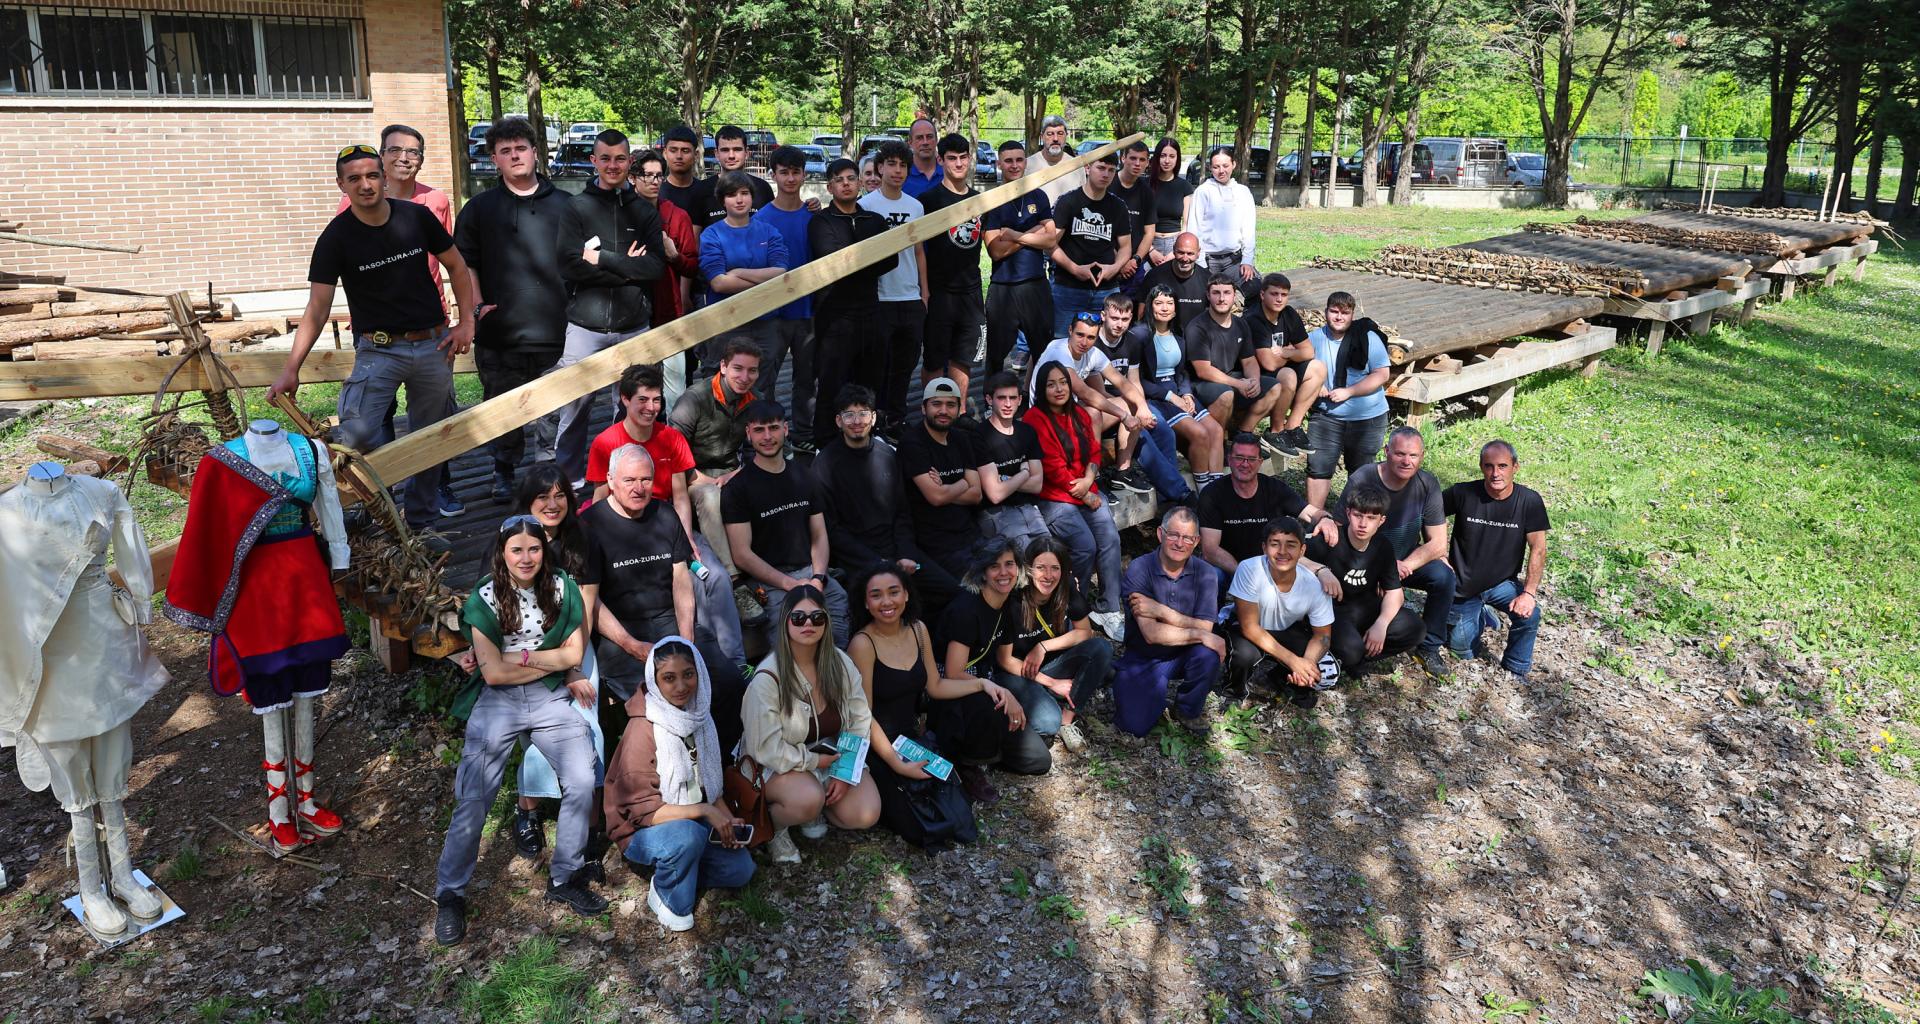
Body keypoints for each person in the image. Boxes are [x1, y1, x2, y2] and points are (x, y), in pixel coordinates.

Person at [268, 144, 474, 537]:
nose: (366, 185)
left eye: (372, 175)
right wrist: (291, 369)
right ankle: (363, 506)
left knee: (429, 437)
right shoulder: (336, 237)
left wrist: (466, 324)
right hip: (378, 350)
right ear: (341, 185)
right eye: (355, 178)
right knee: (356, 434)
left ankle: (421, 522)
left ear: (383, 176)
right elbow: (318, 307)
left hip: (433, 346)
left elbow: (457, 268)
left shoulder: (416, 217)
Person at [435, 519, 601, 945]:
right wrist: (550, 658)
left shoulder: (562, 587)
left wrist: (522, 655)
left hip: (548, 695)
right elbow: (491, 674)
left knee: (583, 779)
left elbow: (575, 653)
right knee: (475, 795)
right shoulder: (486, 596)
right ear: (502, 553)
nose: (526, 559)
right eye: (517, 551)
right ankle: (450, 892)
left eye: (534, 549)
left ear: (545, 551)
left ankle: (564, 875)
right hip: (501, 701)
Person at [583, 444, 745, 759]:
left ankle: (722, 766)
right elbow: (592, 600)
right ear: (611, 481)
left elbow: (681, 582)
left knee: (730, 683)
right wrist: (631, 644)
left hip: (670, 626)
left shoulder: (665, 514)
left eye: (645, 479)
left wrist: (687, 639)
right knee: (663, 704)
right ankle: (668, 785)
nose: (638, 488)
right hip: (620, 637)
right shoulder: (590, 526)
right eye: (629, 480)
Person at [335, 123, 460, 519]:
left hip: (430, 326)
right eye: (395, 151)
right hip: (380, 332)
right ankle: (381, 497)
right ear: (382, 158)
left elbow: (450, 260)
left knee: (434, 415)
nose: (404, 158)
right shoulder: (358, 203)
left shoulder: (434, 202)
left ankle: (435, 492)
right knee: (375, 419)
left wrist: (458, 316)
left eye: (413, 152)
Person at [586, 365, 744, 668]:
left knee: (716, 578)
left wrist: (685, 540)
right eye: (642, 400)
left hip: (668, 527)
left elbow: (681, 495)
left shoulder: (670, 438)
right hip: (626, 530)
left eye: (657, 400)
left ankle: (732, 662)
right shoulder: (606, 442)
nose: (651, 408)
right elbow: (600, 497)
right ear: (624, 400)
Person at [603, 638, 755, 931]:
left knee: (741, 870)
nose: (681, 686)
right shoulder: (643, 727)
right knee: (687, 837)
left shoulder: (700, 716)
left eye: (688, 674)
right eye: (669, 678)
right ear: (654, 681)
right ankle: (665, 895)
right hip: (642, 830)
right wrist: (704, 812)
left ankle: (686, 863)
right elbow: (643, 813)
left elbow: (711, 785)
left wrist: (724, 819)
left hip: (692, 820)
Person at [456, 117, 572, 499]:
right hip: (499, 332)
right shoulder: (479, 208)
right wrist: (474, 308)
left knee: (553, 415)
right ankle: (503, 471)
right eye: (505, 151)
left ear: (535, 153)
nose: (515, 156)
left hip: (556, 330)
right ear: (494, 159)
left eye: (521, 148)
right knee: (503, 413)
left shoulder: (567, 205)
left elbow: (583, 258)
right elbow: (464, 262)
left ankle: (548, 479)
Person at [554, 129, 667, 486]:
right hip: (585, 327)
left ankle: (629, 477)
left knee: (635, 408)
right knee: (574, 407)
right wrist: (626, 270)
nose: (612, 165)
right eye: (605, 158)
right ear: (594, 161)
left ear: (629, 162)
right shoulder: (576, 208)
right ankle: (568, 481)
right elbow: (569, 265)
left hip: (634, 325)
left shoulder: (643, 211)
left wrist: (602, 259)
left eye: (620, 158)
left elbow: (655, 268)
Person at [502, 467, 603, 861]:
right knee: (535, 732)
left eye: (560, 494)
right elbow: (494, 601)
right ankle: (526, 811)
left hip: (574, 648)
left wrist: (573, 666)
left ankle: (589, 825)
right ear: (527, 502)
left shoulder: (581, 540)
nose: (552, 504)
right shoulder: (510, 539)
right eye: (543, 496)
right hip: (522, 649)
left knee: (588, 727)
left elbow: (586, 612)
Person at [742, 586, 881, 864]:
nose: (808, 624)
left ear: (827, 622)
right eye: (799, 618)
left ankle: (819, 801)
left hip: (828, 753)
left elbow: (859, 718)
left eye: (817, 618)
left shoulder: (840, 663)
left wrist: (843, 772)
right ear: (785, 622)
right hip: (778, 762)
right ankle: (777, 826)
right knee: (806, 799)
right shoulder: (768, 677)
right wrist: (814, 762)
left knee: (866, 813)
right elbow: (765, 748)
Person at [847, 563, 977, 849]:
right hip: (875, 745)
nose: (887, 602)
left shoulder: (919, 629)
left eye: (894, 592)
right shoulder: (862, 643)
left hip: (911, 739)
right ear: (866, 603)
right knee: (922, 829)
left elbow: (936, 686)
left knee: (959, 820)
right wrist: (895, 762)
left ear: (906, 595)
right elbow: (862, 716)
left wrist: (983, 685)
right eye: (876, 595)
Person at [813, 385, 960, 612]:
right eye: (849, 415)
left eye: (863, 414)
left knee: (952, 592)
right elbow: (831, 530)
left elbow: (903, 511)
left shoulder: (888, 455)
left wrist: (906, 554)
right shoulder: (824, 465)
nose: (857, 421)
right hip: (858, 560)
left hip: (898, 551)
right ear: (838, 421)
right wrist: (875, 563)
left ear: (873, 418)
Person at [723, 400, 851, 645]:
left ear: (786, 429)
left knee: (839, 617)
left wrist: (818, 578)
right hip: (770, 581)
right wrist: (790, 584)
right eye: (759, 430)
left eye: (773, 428)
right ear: (748, 434)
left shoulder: (805, 475)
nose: (767, 436)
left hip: (812, 573)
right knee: (790, 653)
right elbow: (742, 554)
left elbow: (820, 536)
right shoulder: (738, 489)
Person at [1334, 426, 1455, 679]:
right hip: (1365, 562)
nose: (1406, 461)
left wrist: (1404, 566)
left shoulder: (1427, 483)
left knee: (1444, 577)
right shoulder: (1363, 478)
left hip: (1404, 562)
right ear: (1386, 451)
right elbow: (1340, 529)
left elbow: (1438, 543)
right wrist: (1382, 571)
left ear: (1422, 456)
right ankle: (1351, 650)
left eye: (1413, 455)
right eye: (1400, 454)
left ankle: (1430, 646)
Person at [932, 542, 1048, 797]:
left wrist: (1050, 682)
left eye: (1009, 564)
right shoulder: (965, 610)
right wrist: (999, 691)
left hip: (988, 683)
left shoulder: (1006, 604)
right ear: (983, 572)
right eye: (994, 566)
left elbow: (1006, 660)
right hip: (956, 691)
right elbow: (952, 673)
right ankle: (969, 764)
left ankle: (989, 747)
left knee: (1039, 761)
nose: (1003, 572)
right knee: (989, 707)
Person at [1024, 360, 1126, 641]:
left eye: (1063, 383)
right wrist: (1084, 491)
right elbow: (1053, 468)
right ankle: (1071, 606)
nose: (1059, 389)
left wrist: (1088, 482)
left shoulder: (1078, 413)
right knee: (1084, 546)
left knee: (1110, 538)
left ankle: (1108, 607)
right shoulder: (1035, 419)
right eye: (1051, 384)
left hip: (1085, 489)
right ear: (1041, 389)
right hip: (1054, 497)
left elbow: (1094, 452)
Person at [992, 536, 1114, 755]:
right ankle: (1045, 701)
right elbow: (1004, 659)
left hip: (1048, 663)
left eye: (1054, 568)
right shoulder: (1013, 599)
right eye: (1040, 568)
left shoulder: (1065, 586)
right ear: (1028, 569)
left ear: (1063, 570)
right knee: (1047, 722)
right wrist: (1051, 683)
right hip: (1015, 672)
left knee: (1101, 649)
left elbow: (1084, 632)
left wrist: (1043, 646)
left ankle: (1067, 721)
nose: (1048, 576)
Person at [808, 159, 899, 443]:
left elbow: (890, 259)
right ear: (829, 186)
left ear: (860, 183)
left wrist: (851, 262)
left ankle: (872, 436)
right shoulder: (821, 221)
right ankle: (825, 441)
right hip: (834, 317)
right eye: (839, 179)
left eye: (851, 178)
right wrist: (858, 261)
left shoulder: (874, 220)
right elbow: (832, 263)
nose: (846, 183)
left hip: (871, 313)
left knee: (871, 381)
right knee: (832, 383)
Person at [1113, 507, 1225, 737]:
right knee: (1134, 727)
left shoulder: (1206, 573)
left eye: (1187, 538)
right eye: (1173, 534)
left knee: (1208, 654)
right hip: (1145, 655)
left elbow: (1206, 628)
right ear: (1160, 534)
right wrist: (1201, 633)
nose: (1179, 543)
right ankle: (1125, 679)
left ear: (1196, 542)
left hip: (1185, 653)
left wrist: (1162, 611)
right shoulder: (1140, 569)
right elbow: (1151, 633)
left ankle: (1187, 709)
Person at [1443, 441, 1549, 680]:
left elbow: (1538, 549)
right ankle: (1481, 614)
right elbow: (1429, 515)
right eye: (1489, 466)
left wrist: (1529, 593)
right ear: (1481, 467)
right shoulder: (1463, 493)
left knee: (1530, 614)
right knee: (1463, 651)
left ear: (1515, 467)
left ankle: (1516, 667)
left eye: (1502, 466)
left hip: (1502, 584)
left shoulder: (1529, 501)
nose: (1495, 473)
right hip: (1464, 587)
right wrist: (1437, 553)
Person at [1308, 484, 1425, 675]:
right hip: (1333, 612)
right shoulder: (1332, 538)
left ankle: (1361, 655)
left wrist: (1381, 624)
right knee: (1351, 651)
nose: (1363, 524)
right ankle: (1349, 657)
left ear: (1381, 520)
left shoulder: (1382, 546)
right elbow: (1294, 556)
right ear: (1348, 513)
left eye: (1371, 518)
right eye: (1358, 515)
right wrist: (1320, 569)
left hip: (1365, 608)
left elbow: (1395, 592)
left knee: (1415, 627)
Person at [1028, 312, 1149, 494]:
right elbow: (1085, 393)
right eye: (1080, 335)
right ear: (1070, 331)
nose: (1084, 342)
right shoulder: (1059, 352)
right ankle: (1093, 474)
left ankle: (1122, 473)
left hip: (1070, 414)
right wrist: (1123, 416)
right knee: (1093, 412)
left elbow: (1122, 382)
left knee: (1130, 404)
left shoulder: (1093, 353)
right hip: (1047, 420)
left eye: (1091, 337)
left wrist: (1143, 407)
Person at [1198, 432, 1336, 586]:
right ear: (1229, 459)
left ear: (1260, 462)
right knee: (1212, 576)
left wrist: (1325, 519)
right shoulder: (1212, 494)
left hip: (1270, 564)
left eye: (1251, 459)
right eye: (1239, 458)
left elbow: (1310, 513)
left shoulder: (1274, 489)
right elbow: (1210, 550)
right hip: (1228, 566)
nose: (1245, 464)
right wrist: (1244, 573)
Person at [1090, 293, 1190, 503]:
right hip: (1101, 407)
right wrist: (1133, 408)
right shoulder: (1093, 343)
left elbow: (1133, 381)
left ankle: (1165, 498)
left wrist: (1142, 407)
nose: (1119, 325)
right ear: (1103, 316)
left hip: (1128, 402)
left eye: (1125, 320)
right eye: (1114, 318)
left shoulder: (1133, 342)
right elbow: (1098, 394)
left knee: (1163, 430)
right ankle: (1178, 492)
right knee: (1143, 437)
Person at [1228, 517, 1337, 708]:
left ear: (1302, 550)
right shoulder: (1249, 569)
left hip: (1286, 630)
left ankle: (1280, 678)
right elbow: (1249, 627)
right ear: (1264, 547)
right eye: (1275, 544)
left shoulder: (1313, 584)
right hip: (1248, 629)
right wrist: (1293, 660)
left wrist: (1306, 664)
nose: (1282, 552)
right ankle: (1234, 691)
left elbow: (1323, 636)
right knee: (1243, 655)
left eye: (1291, 545)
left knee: (1328, 674)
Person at [858, 141, 928, 429]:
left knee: (905, 364)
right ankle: (874, 418)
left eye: (903, 165)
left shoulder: (915, 206)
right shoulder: (865, 205)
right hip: (878, 299)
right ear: (880, 168)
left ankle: (896, 419)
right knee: (876, 365)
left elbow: (919, 251)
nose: (897, 171)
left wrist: (924, 291)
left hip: (910, 298)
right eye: (891, 164)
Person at [1303, 291, 1393, 512]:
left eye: (1345, 313)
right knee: (1318, 468)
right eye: (1334, 311)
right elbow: (1300, 366)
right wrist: (1315, 385)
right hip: (1326, 416)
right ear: (1325, 312)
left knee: (1362, 471)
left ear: (1352, 314)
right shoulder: (1314, 338)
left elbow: (1382, 374)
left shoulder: (1367, 338)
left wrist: (1349, 392)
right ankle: (1313, 519)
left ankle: (1357, 518)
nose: (1339, 317)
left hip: (1367, 417)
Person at [1129, 283, 1224, 486]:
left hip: (1178, 394)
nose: (1164, 308)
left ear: (1175, 308)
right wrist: (1171, 397)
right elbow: (1137, 379)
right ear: (1150, 306)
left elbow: (1181, 373)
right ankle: (1204, 488)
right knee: (1199, 433)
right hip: (1158, 397)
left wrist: (1187, 394)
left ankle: (1218, 487)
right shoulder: (1140, 334)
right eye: (1159, 303)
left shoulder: (1178, 334)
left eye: (1169, 303)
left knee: (1215, 430)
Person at [753, 146, 817, 442]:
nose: (790, 178)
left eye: (796, 172)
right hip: (772, 314)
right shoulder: (762, 219)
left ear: (804, 175)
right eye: (784, 172)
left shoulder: (815, 215)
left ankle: (803, 433)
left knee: (806, 380)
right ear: (773, 175)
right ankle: (764, 434)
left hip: (808, 312)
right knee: (765, 378)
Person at [699, 171, 790, 377]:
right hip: (726, 322)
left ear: (752, 197)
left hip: (765, 322)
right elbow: (719, 283)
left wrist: (739, 272)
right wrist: (765, 281)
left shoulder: (769, 232)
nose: (739, 200)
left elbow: (781, 271)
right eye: (731, 195)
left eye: (744, 193)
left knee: (762, 384)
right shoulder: (712, 234)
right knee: (722, 384)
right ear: (722, 201)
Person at [981, 140, 1059, 376]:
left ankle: (1040, 406)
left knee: (1043, 352)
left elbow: (1051, 240)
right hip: (1003, 288)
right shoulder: (992, 200)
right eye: (1008, 161)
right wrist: (1034, 232)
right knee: (996, 355)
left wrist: (1015, 234)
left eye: (1019, 159)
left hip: (1035, 284)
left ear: (1025, 162)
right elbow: (996, 250)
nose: (1014, 165)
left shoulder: (1039, 196)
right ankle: (989, 408)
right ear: (999, 164)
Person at [918, 133, 987, 401]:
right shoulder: (928, 201)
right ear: (940, 160)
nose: (958, 163)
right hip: (939, 292)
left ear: (969, 160)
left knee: (963, 358)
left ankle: (959, 413)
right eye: (951, 158)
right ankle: (931, 408)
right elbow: (916, 250)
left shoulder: (980, 201)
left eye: (963, 157)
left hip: (970, 292)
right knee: (934, 360)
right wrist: (924, 291)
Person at [897, 377, 984, 588]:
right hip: (936, 543)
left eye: (950, 405)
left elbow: (977, 495)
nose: (943, 411)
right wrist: (963, 483)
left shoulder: (961, 439)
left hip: (971, 534)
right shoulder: (913, 442)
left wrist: (946, 487)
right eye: (937, 404)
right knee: (979, 589)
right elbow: (936, 498)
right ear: (923, 407)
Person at [1049, 150, 1133, 339]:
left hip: (1106, 288)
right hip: (1068, 286)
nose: (1106, 174)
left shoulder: (1118, 206)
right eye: (1101, 168)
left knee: (1104, 344)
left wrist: (1114, 268)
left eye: (1111, 170)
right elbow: (1050, 244)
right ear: (1087, 168)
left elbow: (1125, 247)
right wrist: (1074, 268)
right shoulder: (1068, 202)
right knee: (1063, 342)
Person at [1186, 274, 1283, 435]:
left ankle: (1242, 434)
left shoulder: (1240, 324)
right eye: (1216, 293)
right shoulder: (1197, 327)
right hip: (1201, 383)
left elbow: (1249, 361)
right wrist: (1239, 384)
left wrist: (1254, 381)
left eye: (1227, 293)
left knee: (1274, 387)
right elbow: (1203, 370)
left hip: (1230, 378)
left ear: (1234, 296)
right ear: (1208, 295)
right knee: (1226, 395)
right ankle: (1218, 440)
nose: (1222, 298)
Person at [1245, 273, 1322, 457]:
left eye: (1284, 295)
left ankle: (1292, 427)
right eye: (1274, 294)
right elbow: (1269, 363)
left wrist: (1286, 352)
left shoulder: (1288, 314)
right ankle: (1275, 432)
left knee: (1318, 368)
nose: (1279, 299)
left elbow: (1309, 352)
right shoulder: (1254, 318)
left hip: (1282, 366)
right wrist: (1294, 354)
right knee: (1288, 374)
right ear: (1263, 295)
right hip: (1256, 374)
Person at [971, 371, 1050, 551]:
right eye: (1001, 398)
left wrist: (1005, 480)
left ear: (1020, 401)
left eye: (1013, 398)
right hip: (996, 514)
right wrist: (1024, 473)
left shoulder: (1027, 432)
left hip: (1028, 508)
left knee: (1048, 553)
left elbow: (1037, 484)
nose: (1008, 404)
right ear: (989, 400)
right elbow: (995, 494)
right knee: (1027, 557)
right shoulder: (979, 436)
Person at [1190, 147, 1257, 289]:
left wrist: (1247, 260)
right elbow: (1194, 228)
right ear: (1210, 168)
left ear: (1234, 164)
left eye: (1225, 166)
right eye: (1216, 167)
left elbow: (1249, 229)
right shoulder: (1203, 191)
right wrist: (1201, 264)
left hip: (1234, 259)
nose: (1221, 171)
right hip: (1208, 260)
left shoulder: (1243, 192)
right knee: (1204, 296)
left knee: (1256, 288)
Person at [690, 124, 773, 229]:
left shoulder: (763, 189)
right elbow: (695, 238)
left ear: (746, 153)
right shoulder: (701, 191)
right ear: (716, 154)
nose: (731, 156)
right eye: (725, 150)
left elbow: (770, 231)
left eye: (737, 149)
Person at [1136, 231, 1209, 337]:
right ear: (1174, 250)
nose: (1185, 258)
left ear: (1198, 253)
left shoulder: (1207, 279)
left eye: (1190, 253)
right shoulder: (1155, 276)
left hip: (1197, 339)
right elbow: (1141, 314)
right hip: (1162, 338)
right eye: (1181, 252)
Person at [1107, 140, 1157, 291]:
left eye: (1142, 160)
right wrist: (1120, 262)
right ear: (1123, 158)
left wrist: (1136, 260)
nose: (1137, 164)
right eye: (1133, 158)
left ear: (1148, 162)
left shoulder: (1147, 192)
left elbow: (1149, 233)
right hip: (1107, 261)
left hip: (1134, 267)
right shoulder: (1108, 184)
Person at [1146, 137, 1193, 266]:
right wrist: (1151, 250)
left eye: (1172, 156)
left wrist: (1176, 251)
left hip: (1176, 245)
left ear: (1177, 158)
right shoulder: (1145, 185)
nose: (1167, 160)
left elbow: (1186, 225)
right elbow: (1138, 222)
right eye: (1163, 156)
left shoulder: (1185, 187)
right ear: (1156, 157)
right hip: (1149, 244)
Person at [1031, 115, 1085, 205]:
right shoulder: (1029, 165)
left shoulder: (1077, 167)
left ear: (1066, 136)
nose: (1055, 139)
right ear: (1041, 137)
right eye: (1050, 134)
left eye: (1060, 133)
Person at [657, 125, 704, 221]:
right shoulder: (655, 192)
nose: (679, 156)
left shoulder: (706, 192)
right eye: (673, 150)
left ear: (696, 155)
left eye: (685, 151)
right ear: (665, 153)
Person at [901, 117, 944, 198]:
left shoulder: (948, 173)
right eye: (919, 138)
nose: (925, 142)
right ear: (910, 142)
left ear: (936, 140)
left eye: (929, 137)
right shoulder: (901, 175)